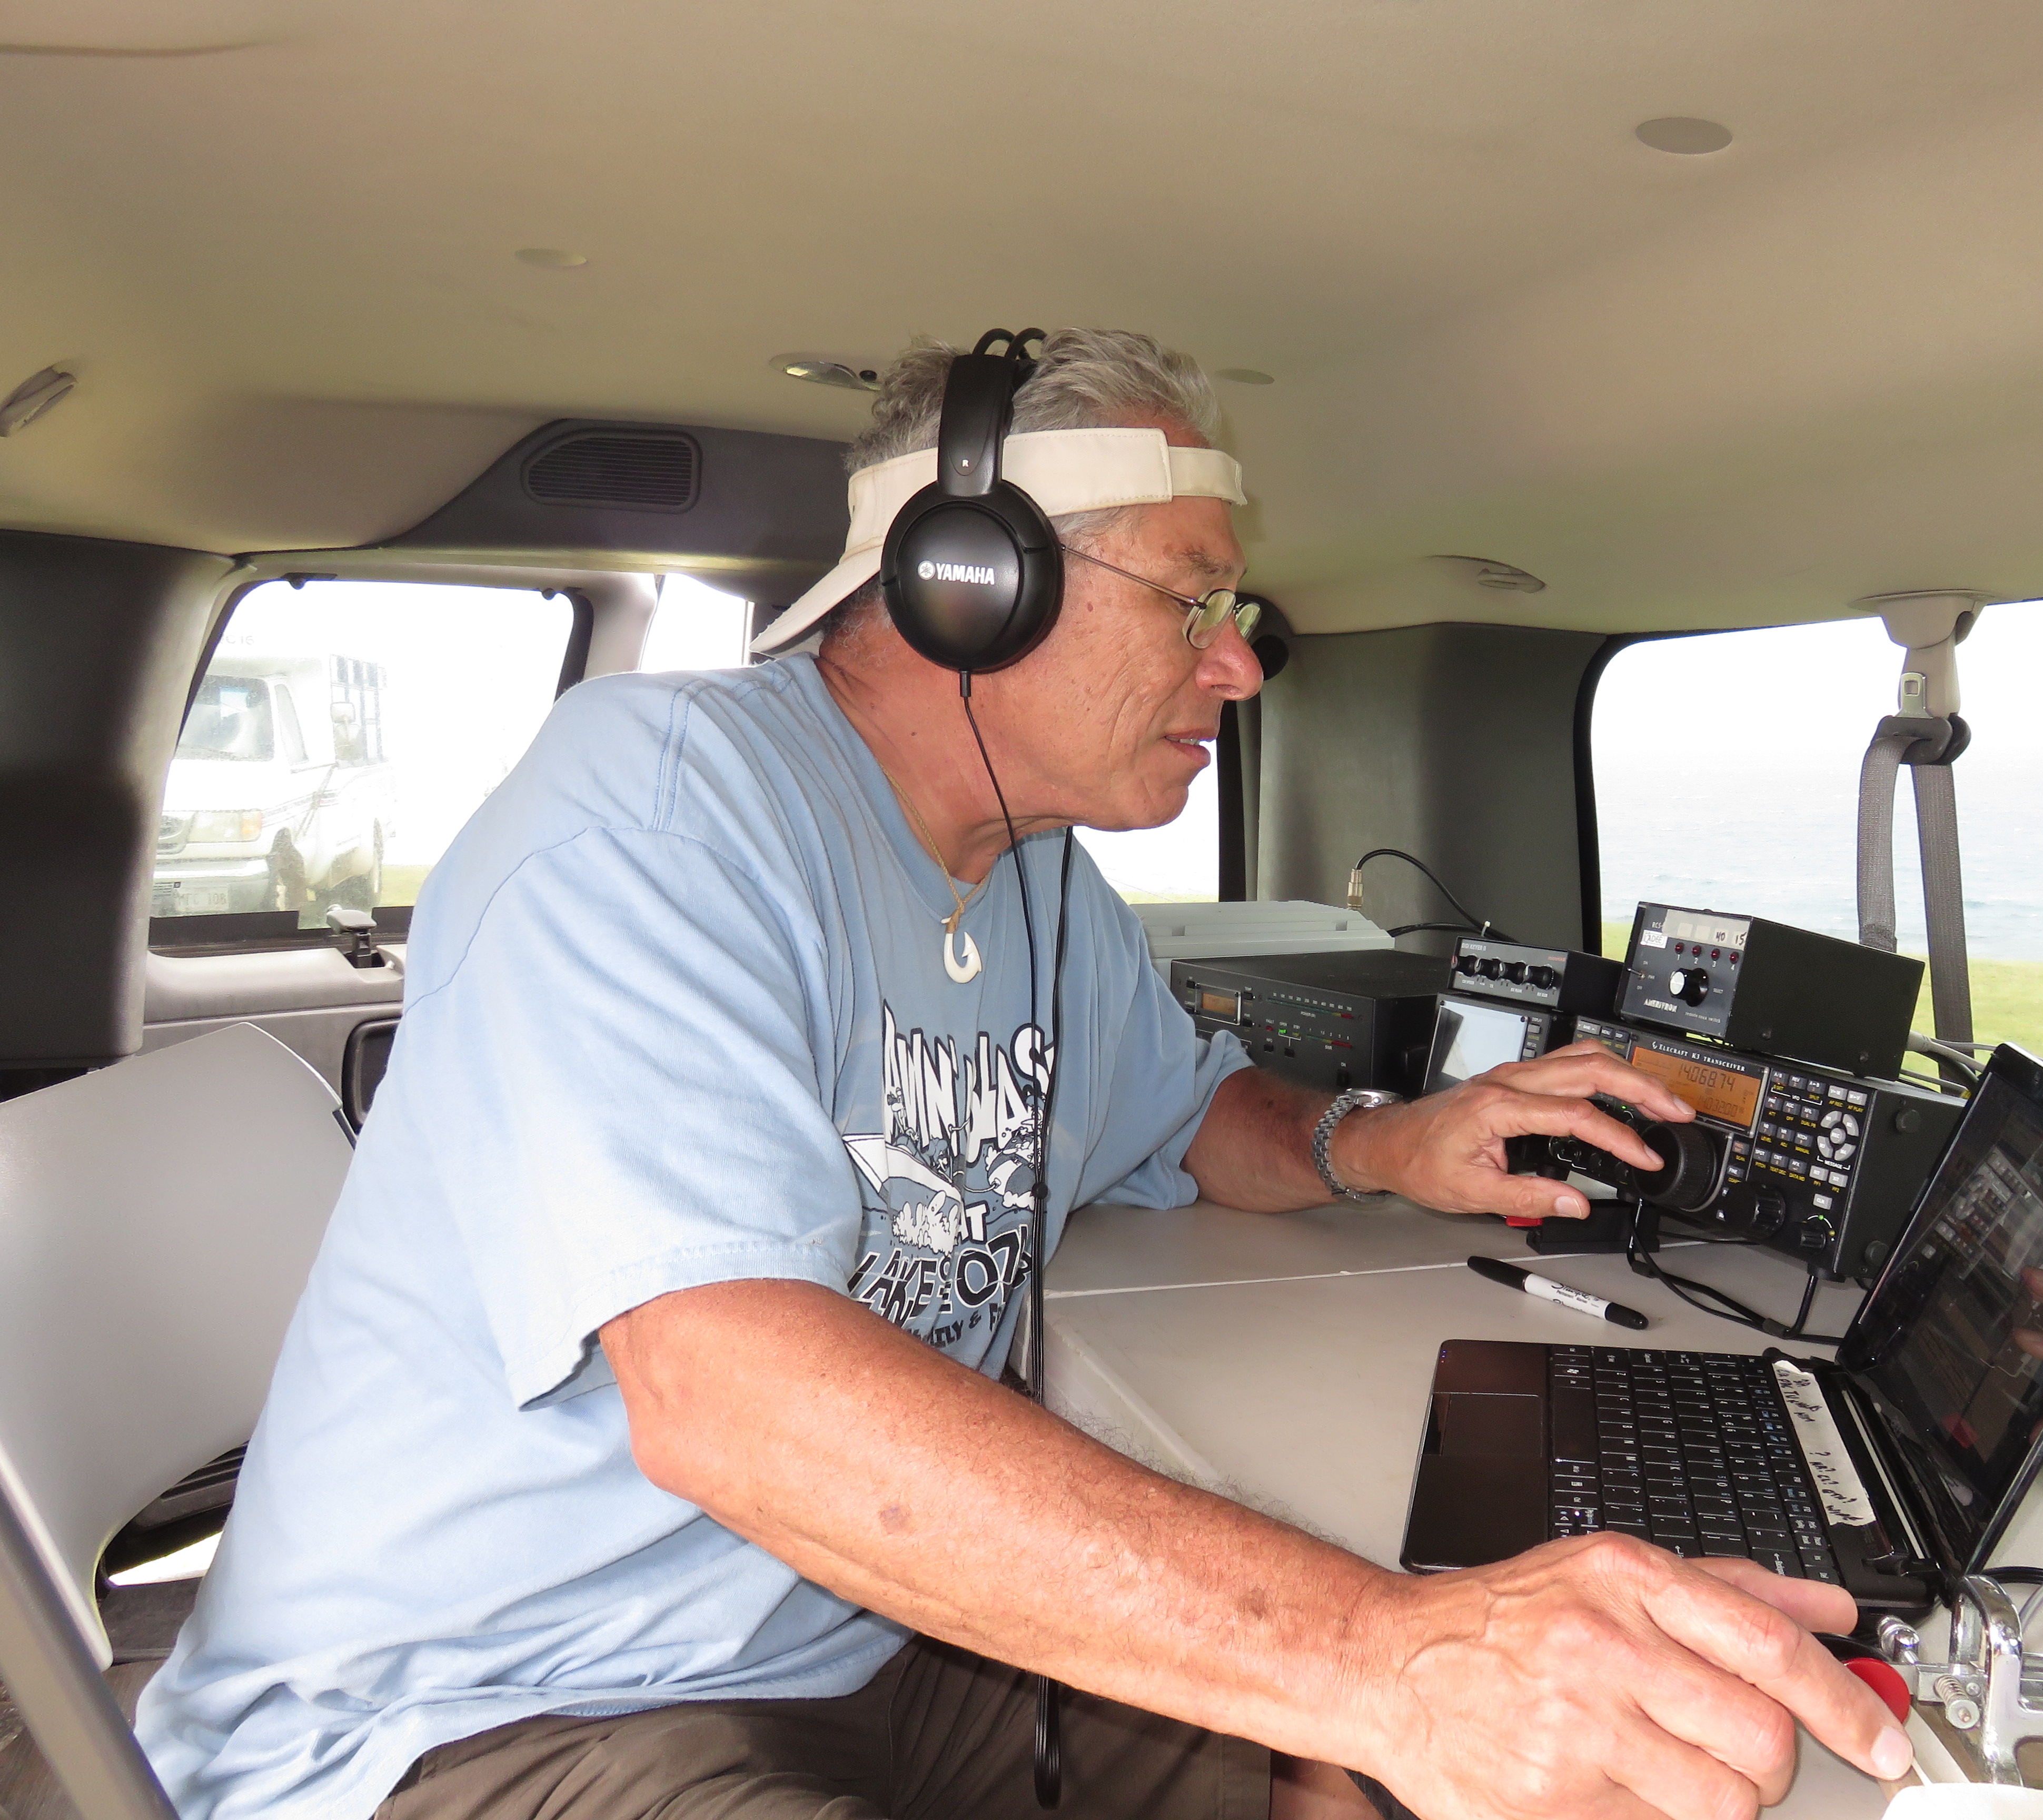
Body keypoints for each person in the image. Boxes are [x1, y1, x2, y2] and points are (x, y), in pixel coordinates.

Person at [136, 329, 1911, 1820]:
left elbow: (1193, 1119)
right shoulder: (659, 811)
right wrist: (1387, 1659)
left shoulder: (1043, 882)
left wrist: (1387, 1142)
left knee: (1404, 1774)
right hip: (488, 1704)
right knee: (1379, 1680)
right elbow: (730, 1395)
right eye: (1195, 600)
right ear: (967, 587)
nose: (1240, 662)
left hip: (855, 1640)